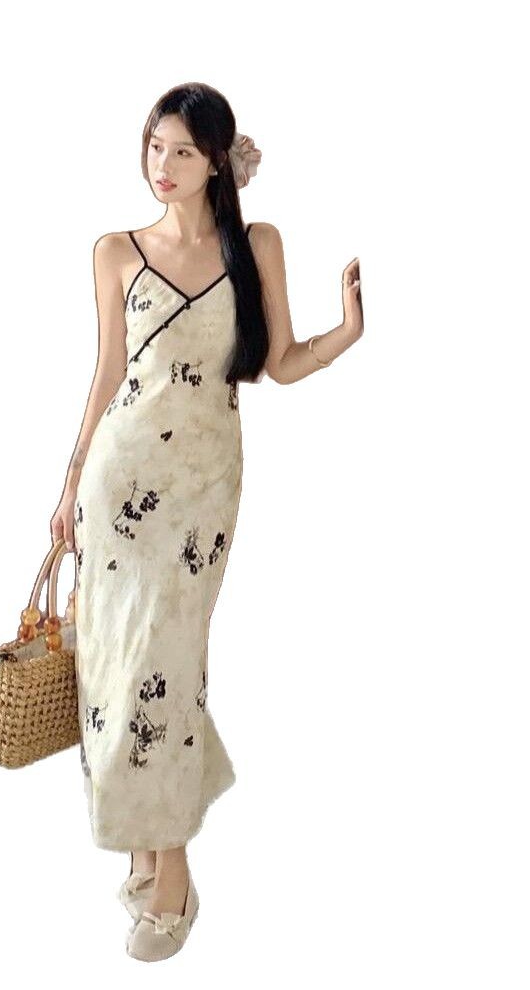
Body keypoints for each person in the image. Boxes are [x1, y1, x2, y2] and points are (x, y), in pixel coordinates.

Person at [50, 81, 364, 961]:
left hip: (200, 489)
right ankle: (151, 852)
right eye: (155, 146)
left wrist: (347, 330)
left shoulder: (253, 243)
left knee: (168, 667)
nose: (163, 165)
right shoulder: (115, 251)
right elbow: (106, 373)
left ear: (217, 161)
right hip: (118, 484)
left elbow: (279, 363)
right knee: (115, 666)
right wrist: (68, 485)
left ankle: (173, 872)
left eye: (183, 151)